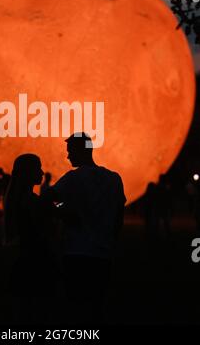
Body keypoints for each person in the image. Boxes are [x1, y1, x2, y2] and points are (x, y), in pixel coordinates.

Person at [42, 132, 126, 324]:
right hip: (103, 254)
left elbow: (47, 200)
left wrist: (62, 211)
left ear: (82, 151)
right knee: (97, 306)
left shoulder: (73, 178)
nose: (68, 155)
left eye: (71, 151)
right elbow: (118, 216)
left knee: (76, 307)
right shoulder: (114, 179)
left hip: (77, 252)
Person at [4, 154, 58, 323]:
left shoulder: (14, 198)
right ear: (28, 173)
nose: (42, 172)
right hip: (36, 260)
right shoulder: (30, 201)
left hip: (23, 260)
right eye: (38, 168)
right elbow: (49, 223)